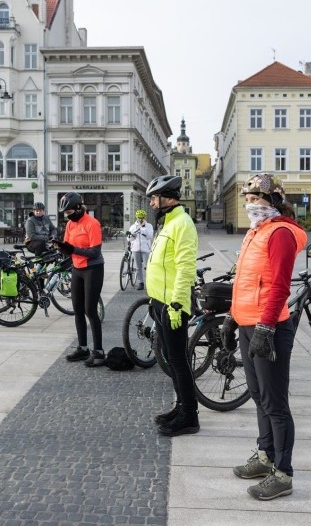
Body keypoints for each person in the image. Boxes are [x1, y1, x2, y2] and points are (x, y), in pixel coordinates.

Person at [223, 174, 306, 500]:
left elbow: (279, 286)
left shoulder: (281, 233)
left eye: (258, 198)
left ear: (273, 201)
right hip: (248, 322)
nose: (251, 204)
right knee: (258, 396)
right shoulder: (257, 231)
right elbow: (245, 279)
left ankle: (283, 473)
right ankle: (265, 456)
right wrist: (232, 315)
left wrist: (266, 327)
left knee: (275, 403)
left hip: (268, 326)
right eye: (248, 198)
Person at [145, 175, 200, 437]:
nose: (152, 203)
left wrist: (177, 303)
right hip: (160, 302)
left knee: (179, 360)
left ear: (168, 198)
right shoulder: (167, 223)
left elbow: (185, 267)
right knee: (170, 358)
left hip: (173, 304)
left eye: (154, 198)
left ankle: (190, 415)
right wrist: (153, 301)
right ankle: (181, 406)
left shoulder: (182, 223)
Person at [51, 192, 106, 367]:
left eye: (69, 212)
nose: (68, 215)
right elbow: (69, 247)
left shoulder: (92, 223)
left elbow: (94, 252)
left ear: (78, 208)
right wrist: (61, 248)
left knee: (90, 310)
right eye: (65, 213)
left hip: (93, 269)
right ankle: (83, 348)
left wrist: (72, 249)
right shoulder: (70, 225)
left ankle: (99, 352)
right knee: (78, 310)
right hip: (77, 269)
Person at [127, 209, 153, 290]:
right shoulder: (133, 226)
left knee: (147, 267)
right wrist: (132, 236)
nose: (140, 219)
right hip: (136, 248)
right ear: (136, 218)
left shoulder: (149, 226)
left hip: (145, 248)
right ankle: (140, 283)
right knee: (138, 267)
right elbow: (129, 239)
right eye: (139, 218)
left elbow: (150, 236)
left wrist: (142, 228)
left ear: (144, 218)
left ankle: (150, 283)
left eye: (142, 218)